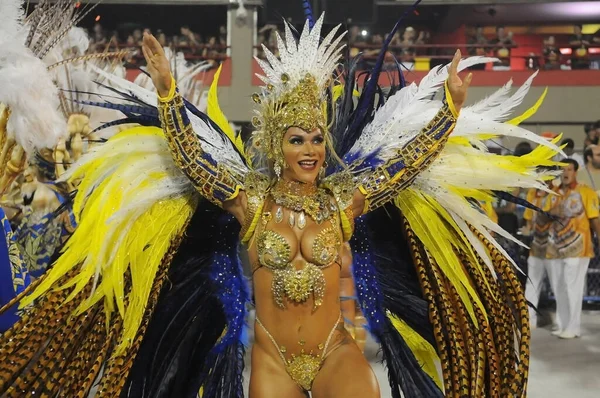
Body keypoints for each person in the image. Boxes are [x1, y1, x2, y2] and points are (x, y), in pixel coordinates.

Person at [0, 5, 560, 397]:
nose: (312, 149)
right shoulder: (249, 204)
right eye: (298, 139)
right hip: (271, 358)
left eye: (317, 138)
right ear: (276, 145)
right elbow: (194, 164)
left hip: (337, 354)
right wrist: (169, 98)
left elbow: (403, 166)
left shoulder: (345, 201)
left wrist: (449, 113)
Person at [545, 159, 600, 338]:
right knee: (558, 287)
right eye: (563, 170)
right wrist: (554, 211)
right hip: (555, 247)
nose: (566, 173)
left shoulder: (586, 191)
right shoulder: (553, 193)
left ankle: (573, 327)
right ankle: (563, 324)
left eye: (569, 169)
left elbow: (595, 220)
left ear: (576, 172)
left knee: (572, 287)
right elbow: (543, 216)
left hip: (579, 247)